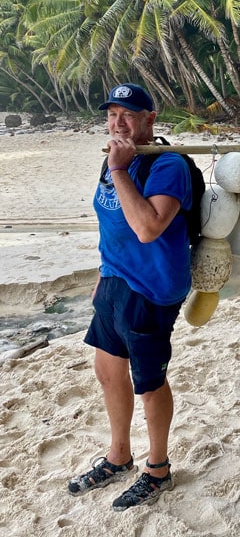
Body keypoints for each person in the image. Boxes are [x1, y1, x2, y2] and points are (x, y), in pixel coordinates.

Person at [68, 83, 192, 510]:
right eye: (112, 115)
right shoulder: (114, 160)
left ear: (150, 119)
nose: (118, 124)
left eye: (129, 115)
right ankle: (119, 455)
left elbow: (147, 228)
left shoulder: (167, 165)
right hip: (115, 281)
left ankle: (158, 469)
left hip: (152, 288)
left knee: (149, 383)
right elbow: (110, 224)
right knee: (108, 372)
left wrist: (120, 170)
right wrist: (103, 275)